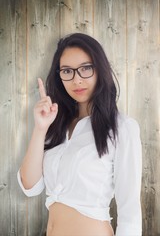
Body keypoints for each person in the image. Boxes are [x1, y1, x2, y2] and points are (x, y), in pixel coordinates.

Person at [17, 33, 142, 236]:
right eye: (67, 71)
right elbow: (29, 187)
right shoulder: (56, 125)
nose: (76, 80)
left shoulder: (122, 127)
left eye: (85, 68)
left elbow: (130, 212)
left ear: (100, 69)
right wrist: (40, 128)